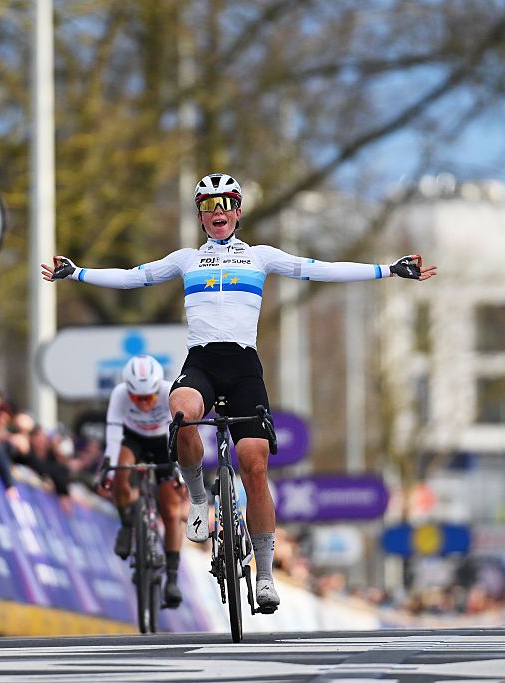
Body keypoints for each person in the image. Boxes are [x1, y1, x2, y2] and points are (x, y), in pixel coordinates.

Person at [43, 172, 437, 610]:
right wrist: (76, 273)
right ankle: (197, 500)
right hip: (202, 363)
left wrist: (388, 269)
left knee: (254, 466)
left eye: (226, 204)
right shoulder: (185, 259)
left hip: (244, 367)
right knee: (181, 412)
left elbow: (320, 269)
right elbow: (134, 277)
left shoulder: (261, 256)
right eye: (209, 207)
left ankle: (265, 575)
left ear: (238, 211)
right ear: (199, 215)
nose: (218, 213)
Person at [102, 355, 183, 608]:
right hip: (134, 437)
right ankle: (128, 524)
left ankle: (171, 579)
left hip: (164, 441)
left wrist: (181, 469)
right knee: (120, 473)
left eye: (149, 398)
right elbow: (114, 434)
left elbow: (183, 434)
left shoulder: (170, 391)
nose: (145, 404)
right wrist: (109, 467)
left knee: (170, 511)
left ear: (158, 387)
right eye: (138, 399)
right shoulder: (119, 394)